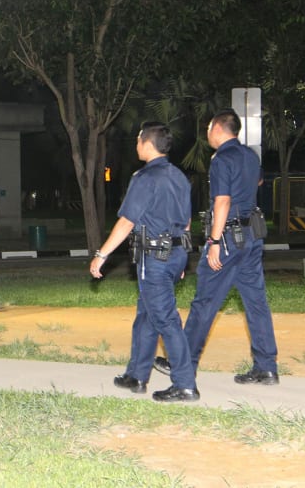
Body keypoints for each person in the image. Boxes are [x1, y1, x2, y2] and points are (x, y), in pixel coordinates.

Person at [154, 109, 279, 385]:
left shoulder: (221, 159)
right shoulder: (250, 156)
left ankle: (183, 364)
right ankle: (266, 367)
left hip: (228, 239)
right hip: (252, 237)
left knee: (204, 303)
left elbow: (221, 202)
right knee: (256, 303)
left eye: (209, 128)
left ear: (219, 129)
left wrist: (213, 241)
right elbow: (257, 180)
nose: (207, 133)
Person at [90, 122, 199, 402]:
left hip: (154, 258)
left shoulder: (144, 178)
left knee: (165, 318)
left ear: (147, 143)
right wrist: (182, 261)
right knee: (146, 317)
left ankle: (185, 384)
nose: (136, 144)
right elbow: (186, 222)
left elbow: (127, 221)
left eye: (138, 140)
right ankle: (137, 376)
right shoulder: (179, 177)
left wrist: (101, 255)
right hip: (174, 255)